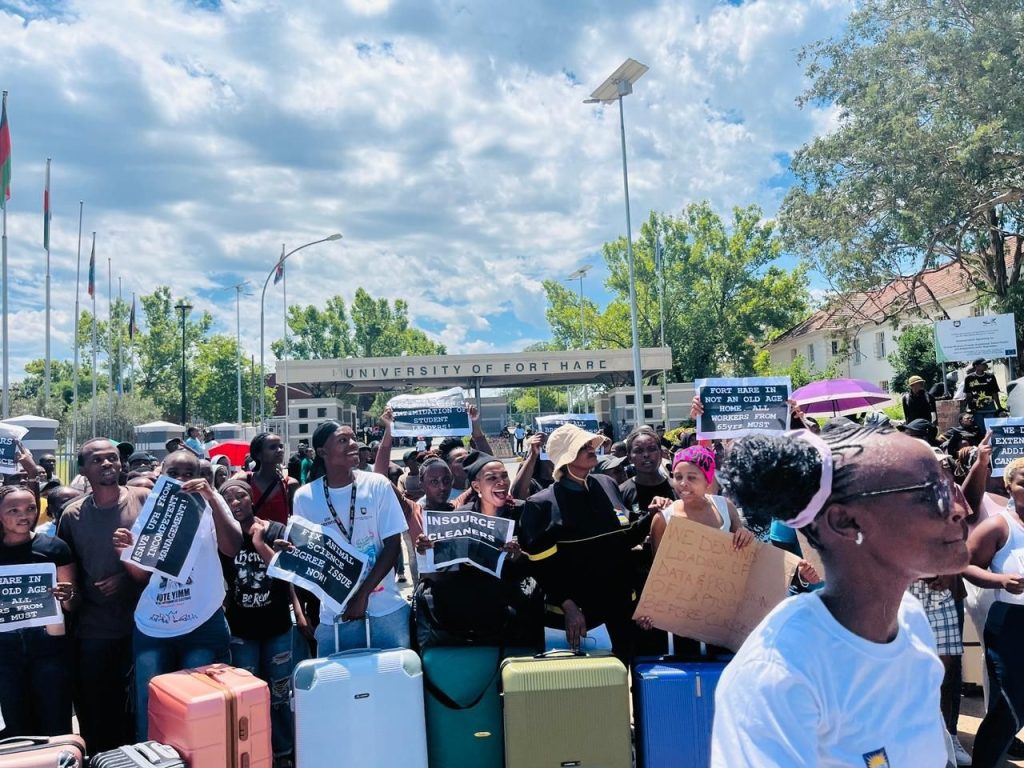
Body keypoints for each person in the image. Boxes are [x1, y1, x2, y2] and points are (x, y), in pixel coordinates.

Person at [709, 422, 968, 766]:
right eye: (931, 493)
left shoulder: (911, 621)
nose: (959, 509)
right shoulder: (778, 673)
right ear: (845, 522)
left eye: (950, 486)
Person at [114, 449, 243, 740]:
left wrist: (212, 497)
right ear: (161, 474)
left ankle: (202, 755)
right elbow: (142, 577)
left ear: (201, 476)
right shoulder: (151, 508)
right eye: (174, 474)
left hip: (202, 621)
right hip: (154, 626)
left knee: (202, 703)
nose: (182, 480)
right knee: (150, 701)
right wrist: (124, 553)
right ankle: (152, 754)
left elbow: (232, 547)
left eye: (189, 474)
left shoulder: (211, 504)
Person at [519, 424, 654, 659]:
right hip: (577, 618)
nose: (592, 449)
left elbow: (624, 538)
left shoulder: (606, 483)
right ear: (566, 457)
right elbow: (541, 566)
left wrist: (652, 515)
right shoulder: (541, 504)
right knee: (585, 679)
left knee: (623, 673)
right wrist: (568, 606)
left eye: (591, 444)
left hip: (620, 608)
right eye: (583, 447)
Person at [57, 438, 147, 752]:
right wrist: (69, 596)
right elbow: (67, 571)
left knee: (140, 708)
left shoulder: (144, 499)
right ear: (83, 469)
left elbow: (164, 558)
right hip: (94, 630)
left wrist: (127, 579)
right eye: (97, 460)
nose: (107, 463)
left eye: (112, 458)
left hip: (145, 626)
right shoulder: (71, 516)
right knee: (97, 709)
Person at [293, 421, 409, 655]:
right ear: (322, 452)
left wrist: (362, 595)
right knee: (338, 678)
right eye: (343, 440)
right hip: (336, 614)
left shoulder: (377, 484)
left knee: (393, 676)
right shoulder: (305, 497)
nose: (353, 444)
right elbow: (309, 557)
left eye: (353, 438)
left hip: (386, 610)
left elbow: (392, 545)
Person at [414, 452, 541, 649]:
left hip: (513, 609)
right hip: (471, 614)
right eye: (492, 478)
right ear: (476, 486)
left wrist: (519, 556)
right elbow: (443, 571)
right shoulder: (461, 515)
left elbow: (540, 562)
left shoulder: (522, 511)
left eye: (504, 476)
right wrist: (426, 550)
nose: (501, 482)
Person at [219, 478, 300, 766]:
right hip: (242, 631)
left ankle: (284, 752)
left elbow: (286, 574)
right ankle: (254, 753)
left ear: (251, 499)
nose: (235, 503)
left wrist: (259, 544)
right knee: (248, 697)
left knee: (279, 694)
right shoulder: (223, 539)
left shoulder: (274, 530)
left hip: (277, 627)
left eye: (240, 496)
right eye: (228, 499)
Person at [0, 484, 77, 739]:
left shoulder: (54, 547)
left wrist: (68, 596)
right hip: (5, 650)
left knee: (56, 720)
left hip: (48, 645)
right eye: (13, 510)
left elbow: (73, 604)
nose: (24, 515)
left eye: (30, 508)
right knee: (17, 723)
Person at [962, 455, 1024, 766]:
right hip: (1011, 622)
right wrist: (999, 580)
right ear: (1009, 486)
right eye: (1023, 482)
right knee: (1011, 706)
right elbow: (965, 565)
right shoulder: (999, 526)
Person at [236, 432, 297, 526]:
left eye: (280, 446)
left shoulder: (290, 484)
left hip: (280, 535)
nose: (279, 450)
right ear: (258, 454)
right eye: (272, 447)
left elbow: (296, 521)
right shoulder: (245, 481)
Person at [619, 425, 675, 515]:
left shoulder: (677, 489)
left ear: (661, 453)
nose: (646, 455)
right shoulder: (621, 493)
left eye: (652, 449)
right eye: (639, 451)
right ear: (629, 458)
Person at [964, 358, 1004, 432]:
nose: (986, 365)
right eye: (984, 364)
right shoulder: (969, 378)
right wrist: (969, 408)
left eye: (986, 364)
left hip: (990, 408)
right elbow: (968, 395)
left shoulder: (990, 376)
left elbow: (995, 393)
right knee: (981, 429)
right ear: (977, 366)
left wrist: (999, 407)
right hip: (976, 409)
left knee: (990, 429)